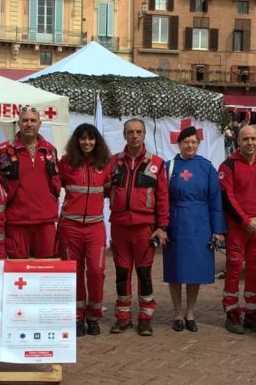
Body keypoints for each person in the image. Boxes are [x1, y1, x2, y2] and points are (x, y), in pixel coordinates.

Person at [108, 118, 169, 336]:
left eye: (138, 132)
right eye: (130, 132)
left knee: (144, 274)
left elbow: (163, 197)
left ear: (144, 134)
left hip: (145, 229)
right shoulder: (113, 162)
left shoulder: (157, 163)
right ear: (124, 135)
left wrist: (162, 226)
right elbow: (103, 190)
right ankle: (123, 317)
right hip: (120, 228)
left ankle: (145, 318)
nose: (134, 136)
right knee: (121, 274)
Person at [163, 126, 225, 333]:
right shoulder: (169, 167)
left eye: (194, 142)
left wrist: (217, 229)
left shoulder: (207, 167)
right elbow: (161, 199)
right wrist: (161, 226)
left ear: (198, 144)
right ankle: (177, 313)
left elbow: (215, 199)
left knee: (194, 270)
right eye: (186, 142)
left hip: (200, 223)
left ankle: (190, 313)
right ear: (179, 144)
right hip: (176, 222)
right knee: (176, 269)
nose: (190, 145)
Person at [219, 125, 256, 334]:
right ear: (238, 141)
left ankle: (253, 315)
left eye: (254, 139)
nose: (250, 143)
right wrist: (245, 221)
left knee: (255, 273)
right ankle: (232, 314)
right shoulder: (228, 165)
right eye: (245, 139)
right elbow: (228, 197)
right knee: (234, 271)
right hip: (237, 228)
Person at [56, 124, 112, 337]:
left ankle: (93, 316)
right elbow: (54, 186)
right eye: (83, 138)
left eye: (91, 138)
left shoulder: (105, 164)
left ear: (96, 141)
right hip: (70, 227)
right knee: (74, 273)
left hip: (95, 227)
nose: (87, 142)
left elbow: (110, 189)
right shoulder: (65, 163)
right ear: (76, 141)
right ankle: (77, 317)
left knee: (96, 272)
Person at [0, 107, 61, 259]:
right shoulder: (5, 150)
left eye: (33, 120)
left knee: (46, 268)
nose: (29, 124)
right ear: (18, 123)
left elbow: (56, 180)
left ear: (39, 124)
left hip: (45, 220)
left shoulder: (50, 150)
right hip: (16, 220)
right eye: (25, 120)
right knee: (17, 268)